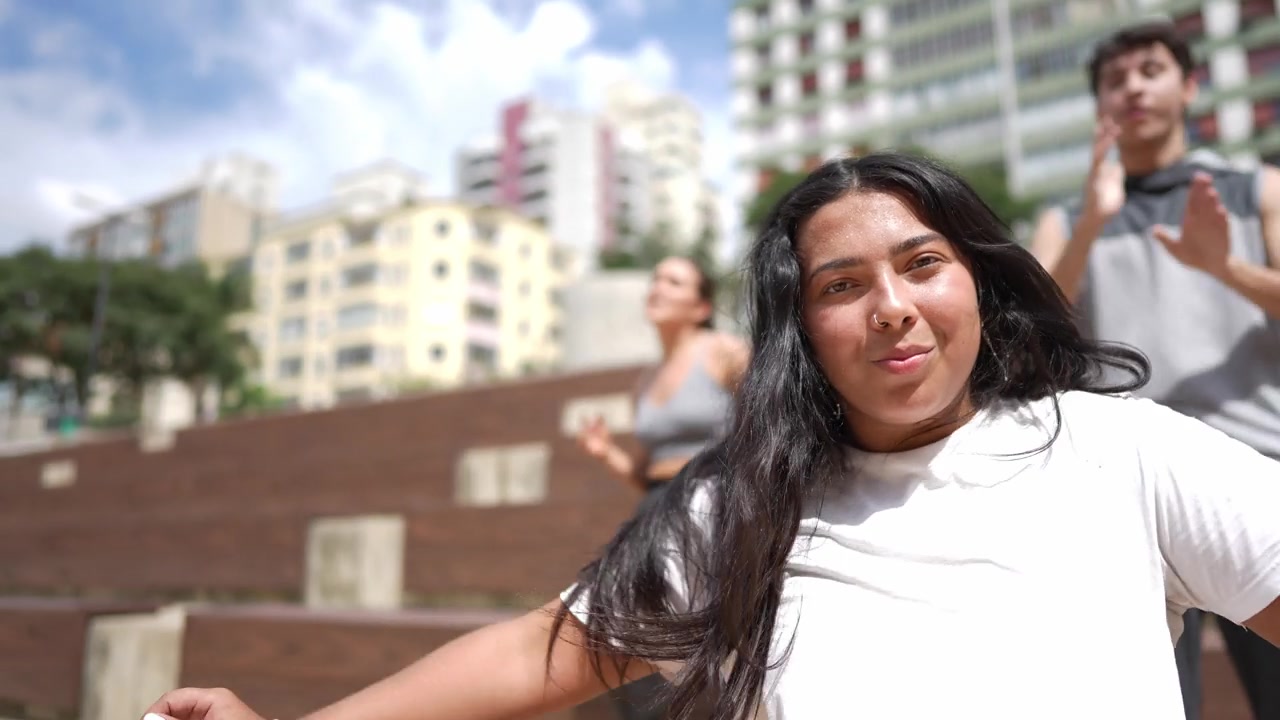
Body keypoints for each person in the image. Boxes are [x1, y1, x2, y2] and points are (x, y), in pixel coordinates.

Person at [143, 152, 1279, 720]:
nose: (890, 306)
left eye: (922, 263)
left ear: (976, 283)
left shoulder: (1123, 451)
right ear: (802, 329)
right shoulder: (744, 508)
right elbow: (540, 650)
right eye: (842, 284)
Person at [1028, 21, 1280, 719]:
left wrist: (1224, 267)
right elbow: (1029, 335)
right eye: (1115, 79)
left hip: (1257, 467)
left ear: (1189, 86)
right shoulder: (1068, 218)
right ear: (1100, 106)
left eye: (1150, 70)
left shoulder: (1257, 188)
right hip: (1124, 490)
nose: (1133, 88)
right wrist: (1091, 223)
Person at [574, 255, 748, 718]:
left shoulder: (725, 351)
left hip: (712, 505)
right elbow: (645, 472)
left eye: (674, 281)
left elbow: (768, 424)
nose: (658, 287)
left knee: (702, 641)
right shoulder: (645, 379)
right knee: (630, 634)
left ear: (700, 306)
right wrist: (606, 453)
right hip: (655, 508)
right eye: (656, 279)